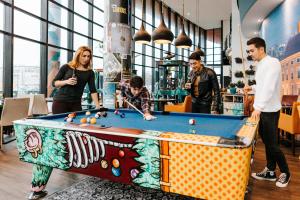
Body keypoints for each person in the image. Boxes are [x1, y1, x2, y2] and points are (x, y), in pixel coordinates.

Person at [244, 37, 290, 187]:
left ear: (261, 49)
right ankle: (270, 171)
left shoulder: (273, 63)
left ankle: (285, 172)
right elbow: (262, 86)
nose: (250, 53)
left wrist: (258, 107)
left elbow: (270, 88)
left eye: (252, 50)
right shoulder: (261, 65)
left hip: (268, 110)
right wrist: (252, 88)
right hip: (263, 110)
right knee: (268, 142)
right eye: (248, 51)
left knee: (272, 145)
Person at [51, 46, 101, 114]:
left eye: (88, 56)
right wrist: (66, 82)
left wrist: (97, 106)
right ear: (78, 56)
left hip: (76, 104)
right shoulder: (66, 67)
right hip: (60, 102)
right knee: (60, 124)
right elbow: (54, 83)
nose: (86, 58)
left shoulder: (90, 72)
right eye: (84, 56)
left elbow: (93, 90)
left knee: (77, 124)